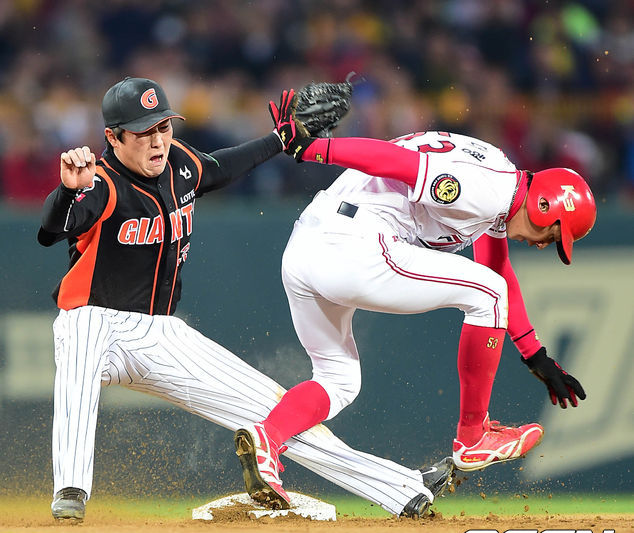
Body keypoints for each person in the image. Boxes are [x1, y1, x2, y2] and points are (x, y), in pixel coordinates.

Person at [38, 77, 454, 522]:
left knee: (275, 414)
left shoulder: (179, 164)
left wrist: (279, 139)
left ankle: (401, 488)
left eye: (163, 127)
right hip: (93, 321)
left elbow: (222, 166)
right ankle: (71, 491)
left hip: (159, 334)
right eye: (143, 132)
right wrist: (68, 191)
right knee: (78, 367)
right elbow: (51, 230)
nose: (157, 141)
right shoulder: (99, 183)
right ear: (114, 137)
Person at [235, 125, 596, 504]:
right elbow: (394, 161)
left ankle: (267, 440)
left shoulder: (500, 189)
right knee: (488, 293)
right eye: (553, 236)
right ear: (545, 207)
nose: (544, 245)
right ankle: (473, 436)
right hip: (351, 245)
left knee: (338, 380)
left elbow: (497, 267)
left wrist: (535, 355)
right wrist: (313, 148)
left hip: (307, 247)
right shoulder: (487, 189)